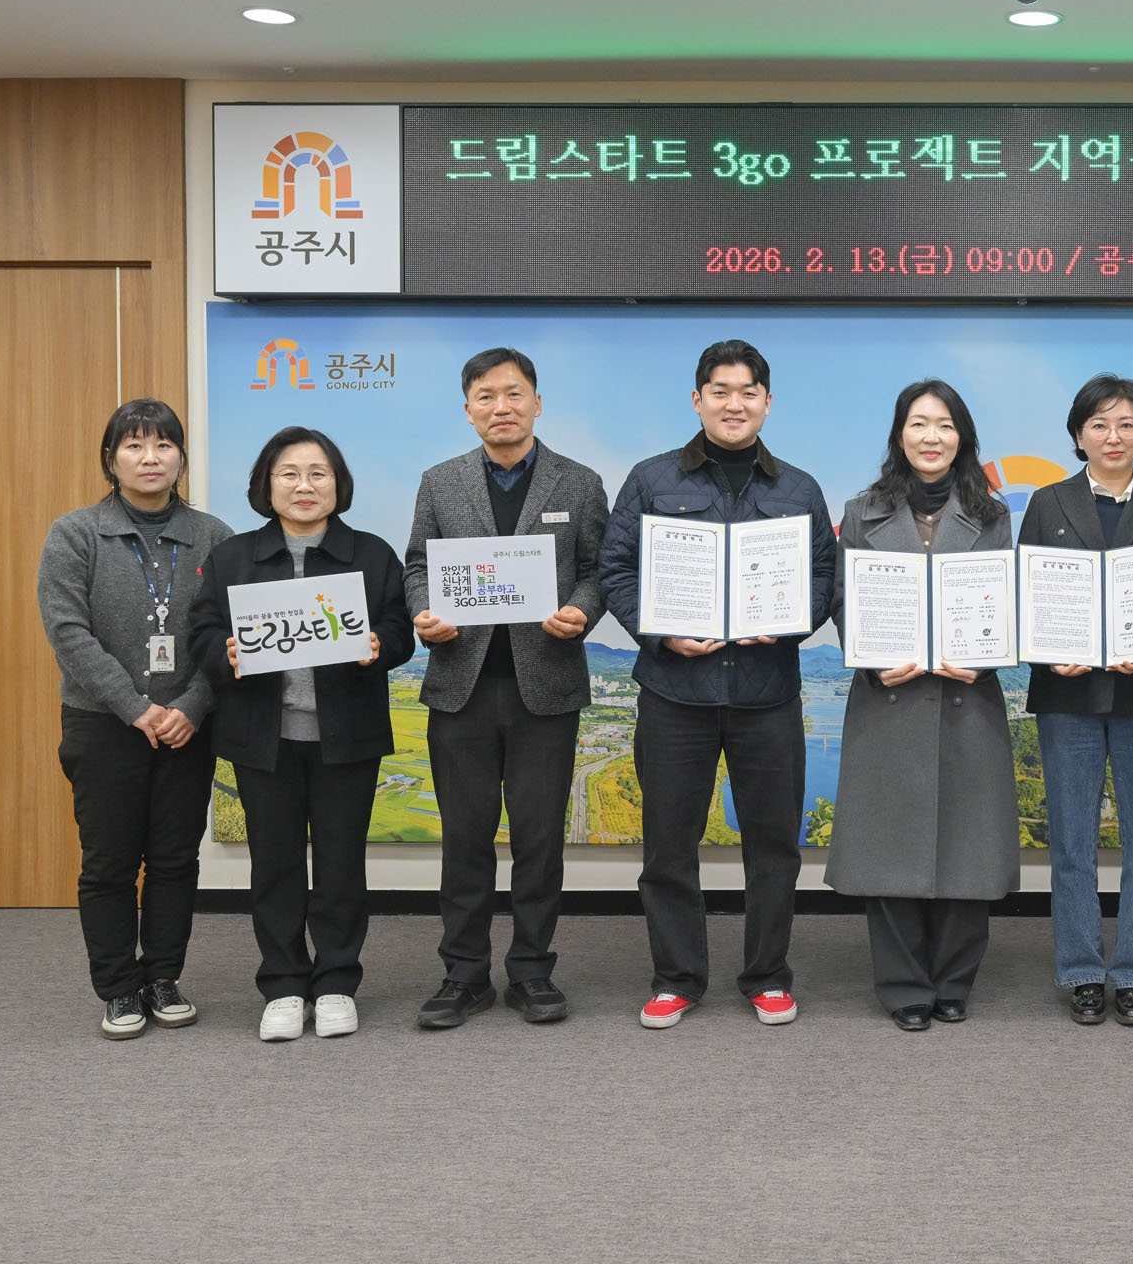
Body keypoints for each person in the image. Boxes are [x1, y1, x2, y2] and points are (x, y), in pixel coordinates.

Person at [598, 340, 835, 1030]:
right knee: (668, 847)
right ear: (698, 400)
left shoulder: (799, 489)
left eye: (748, 392)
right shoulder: (650, 480)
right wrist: (658, 632)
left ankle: (768, 976)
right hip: (676, 694)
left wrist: (788, 623)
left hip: (768, 693)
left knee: (774, 848)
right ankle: (676, 978)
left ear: (768, 402)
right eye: (721, 391)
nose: (735, 404)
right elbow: (616, 568)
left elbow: (823, 575)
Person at [404, 348, 611, 1028]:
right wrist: (423, 612)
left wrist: (581, 610)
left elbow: (598, 569)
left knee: (538, 840)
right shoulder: (440, 482)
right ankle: (463, 975)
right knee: (464, 839)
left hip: (545, 687)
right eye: (486, 396)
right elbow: (417, 566)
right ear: (468, 410)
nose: (502, 407)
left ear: (537, 403)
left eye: (514, 393)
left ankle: (531, 971)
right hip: (460, 685)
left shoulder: (578, 482)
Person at [189, 428, 414, 1040]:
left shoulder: (371, 554)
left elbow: (400, 627)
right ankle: (284, 984)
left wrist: (381, 644)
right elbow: (201, 631)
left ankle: (337, 981)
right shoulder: (233, 557)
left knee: (341, 865)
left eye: (318, 473)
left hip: (347, 738)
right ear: (266, 485)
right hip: (263, 739)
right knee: (275, 866)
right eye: (289, 473)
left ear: (338, 485)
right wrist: (224, 650)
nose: (304, 485)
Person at [825, 379, 1020, 1030]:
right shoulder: (861, 512)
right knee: (889, 847)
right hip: (890, 698)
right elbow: (844, 600)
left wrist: (985, 657)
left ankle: (954, 981)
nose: (931, 437)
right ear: (899, 435)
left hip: (968, 698)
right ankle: (904, 984)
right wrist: (870, 657)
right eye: (918, 424)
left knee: (970, 849)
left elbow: (1003, 604)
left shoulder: (993, 516)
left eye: (944, 425)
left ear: (962, 437)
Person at [37, 400, 232, 1040]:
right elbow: (68, 632)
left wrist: (191, 707)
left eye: (163, 446)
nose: (150, 458)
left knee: (175, 859)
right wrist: (136, 707)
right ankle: (120, 988)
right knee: (109, 864)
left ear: (181, 457)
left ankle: (163, 977)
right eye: (134, 446)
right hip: (103, 724)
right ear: (111, 459)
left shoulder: (214, 536)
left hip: (187, 727)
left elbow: (229, 634)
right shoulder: (75, 533)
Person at [1018, 374, 1133, 1026]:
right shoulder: (1046, 503)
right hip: (1066, 691)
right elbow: (1027, 595)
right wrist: (1047, 651)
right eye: (1099, 424)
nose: (1113, 436)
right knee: (1071, 841)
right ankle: (1080, 970)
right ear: (1078, 435)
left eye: (1127, 424)